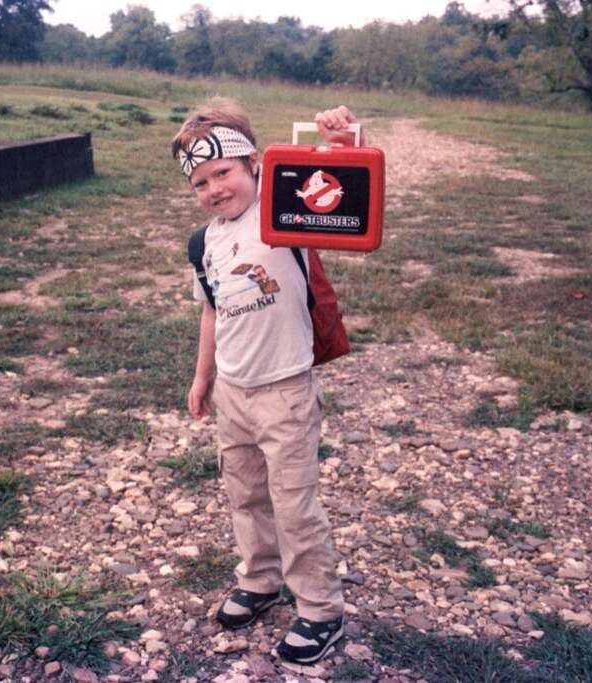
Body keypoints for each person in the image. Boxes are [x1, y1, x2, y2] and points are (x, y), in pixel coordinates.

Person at [172, 98, 359, 664]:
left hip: (285, 390)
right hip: (233, 391)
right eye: (201, 182)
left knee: (295, 503)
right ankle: (259, 579)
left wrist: (342, 139)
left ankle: (322, 611)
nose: (214, 189)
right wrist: (202, 378)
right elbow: (212, 312)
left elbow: (341, 185)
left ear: (253, 163)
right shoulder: (204, 242)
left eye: (223, 172)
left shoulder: (285, 212)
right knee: (246, 493)